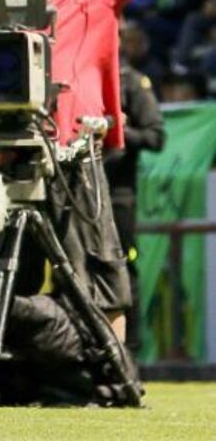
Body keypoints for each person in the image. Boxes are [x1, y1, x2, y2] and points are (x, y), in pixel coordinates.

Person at [0, 0, 170, 342]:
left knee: (99, 273)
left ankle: (112, 369)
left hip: (74, 153)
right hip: (12, 152)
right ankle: (12, 369)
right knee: (10, 276)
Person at [104, 53, 165, 354]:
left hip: (118, 196)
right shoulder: (76, 77)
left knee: (123, 268)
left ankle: (129, 350)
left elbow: (156, 137)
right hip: (76, 192)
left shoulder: (131, 82)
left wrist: (118, 130)